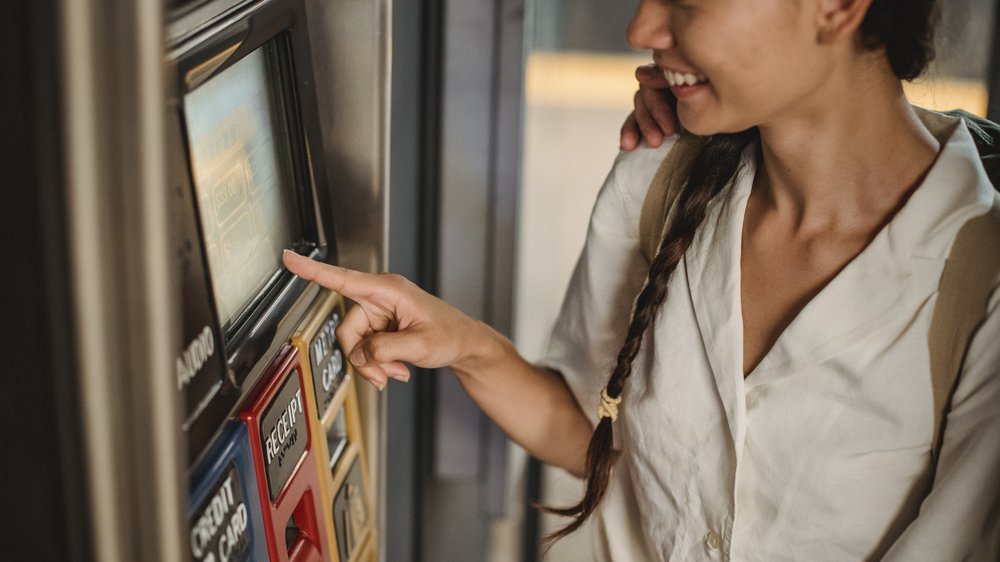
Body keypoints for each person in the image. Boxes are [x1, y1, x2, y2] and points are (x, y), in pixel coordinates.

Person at [284, 0, 1000, 558]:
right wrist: (466, 344)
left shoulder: (982, 283)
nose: (640, 27)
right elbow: (597, 443)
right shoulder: (661, 178)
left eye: (687, 1)